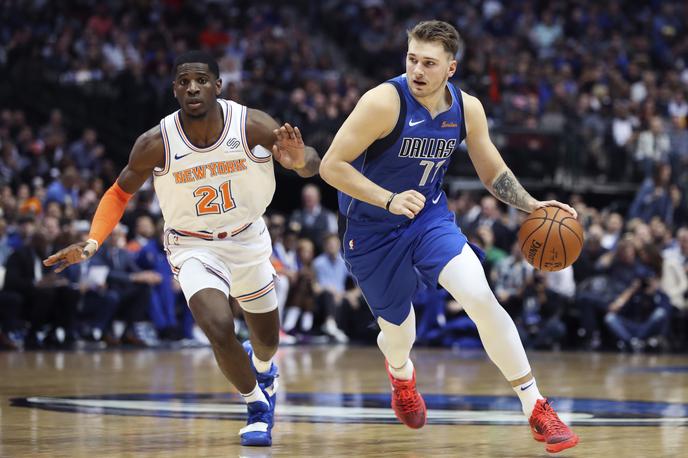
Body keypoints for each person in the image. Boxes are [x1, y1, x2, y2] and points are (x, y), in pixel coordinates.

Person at [319, 21, 579, 453]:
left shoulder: (467, 108)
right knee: (400, 334)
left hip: (428, 218)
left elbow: (491, 170)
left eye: (429, 63)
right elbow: (331, 166)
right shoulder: (383, 101)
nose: (417, 70)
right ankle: (401, 375)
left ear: (451, 68)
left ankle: (535, 406)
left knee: (479, 296)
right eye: (412, 59)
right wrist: (387, 199)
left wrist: (533, 205)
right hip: (372, 228)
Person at [43, 50, 321, 447]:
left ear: (218, 85)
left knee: (268, 342)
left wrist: (299, 163)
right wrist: (92, 242)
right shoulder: (155, 142)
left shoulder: (252, 124)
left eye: (202, 80)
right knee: (218, 327)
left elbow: (311, 161)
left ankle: (263, 370)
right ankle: (256, 405)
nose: (193, 87)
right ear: (175, 90)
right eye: (184, 81)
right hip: (192, 246)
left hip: (247, 240)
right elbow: (119, 192)